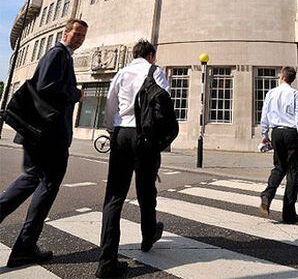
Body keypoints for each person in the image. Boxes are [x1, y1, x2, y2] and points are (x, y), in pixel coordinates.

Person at [0, 19, 88, 268]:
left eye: (83, 35)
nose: (80, 38)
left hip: (43, 135)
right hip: (48, 136)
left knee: (32, 179)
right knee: (45, 184)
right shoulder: (57, 53)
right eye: (77, 33)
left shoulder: (63, 55)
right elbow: (46, 86)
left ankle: (25, 247)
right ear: (66, 32)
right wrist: (75, 94)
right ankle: (25, 247)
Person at [97, 39, 170, 278]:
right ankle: (148, 235)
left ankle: (106, 261)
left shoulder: (121, 73)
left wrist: (111, 129)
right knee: (146, 190)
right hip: (145, 136)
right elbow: (165, 108)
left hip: (121, 134)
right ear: (151, 55)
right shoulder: (155, 72)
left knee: (114, 196)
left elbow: (110, 105)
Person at [259, 66, 298, 224]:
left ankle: (267, 195)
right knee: (293, 173)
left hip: (276, 133)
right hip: (292, 133)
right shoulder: (296, 94)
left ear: (282, 76)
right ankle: (288, 214)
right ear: (292, 78)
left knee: (279, 166)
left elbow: (264, 115)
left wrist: (264, 135)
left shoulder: (271, 93)